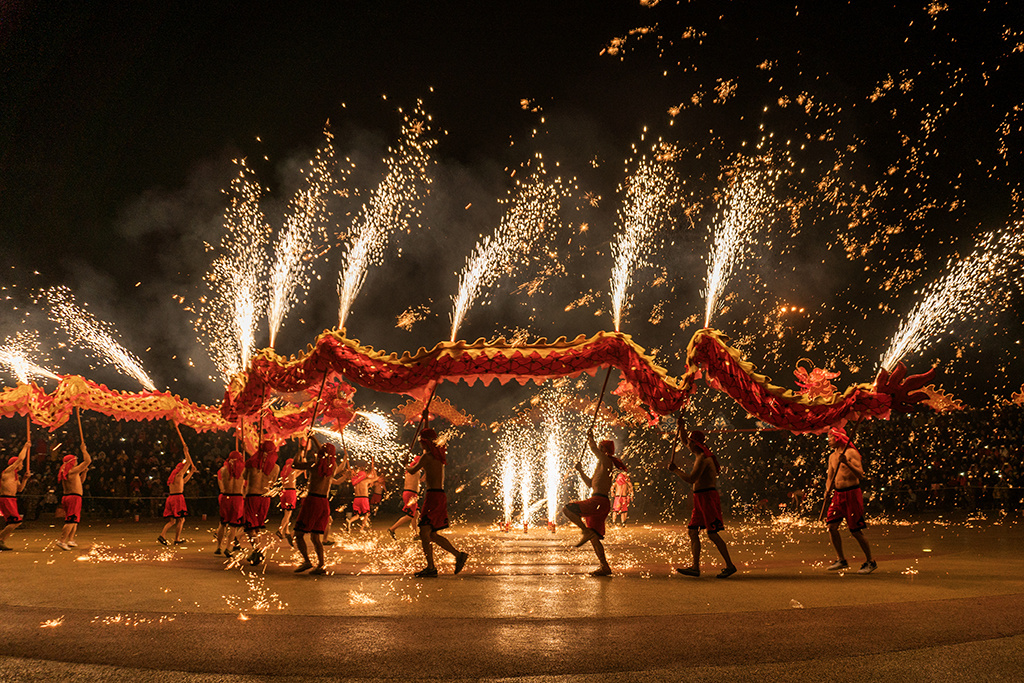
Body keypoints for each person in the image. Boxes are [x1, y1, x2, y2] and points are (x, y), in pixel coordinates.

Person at [665, 427, 737, 578]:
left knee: (712, 534)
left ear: (695, 443)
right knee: (692, 532)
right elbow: (684, 440)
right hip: (700, 498)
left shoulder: (703, 458)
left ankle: (730, 566)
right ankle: (695, 567)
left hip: (707, 498)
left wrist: (676, 470)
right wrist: (681, 426)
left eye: (690, 442)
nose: (687, 445)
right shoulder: (699, 453)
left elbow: (691, 479)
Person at [408, 427, 468, 577]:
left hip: (433, 496)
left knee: (424, 532)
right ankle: (458, 555)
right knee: (431, 534)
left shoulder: (427, 457)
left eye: (421, 442)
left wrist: (405, 464)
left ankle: (431, 568)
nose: (420, 444)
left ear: (425, 442)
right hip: (439, 495)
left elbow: (412, 471)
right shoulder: (438, 456)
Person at [562, 428, 621, 577]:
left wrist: (590, 437)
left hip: (598, 501)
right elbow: (589, 484)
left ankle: (585, 531)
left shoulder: (606, 461)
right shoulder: (600, 466)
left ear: (604, 450)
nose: (598, 450)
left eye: (600, 448)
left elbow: (593, 449)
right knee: (594, 539)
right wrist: (580, 471)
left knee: (567, 509)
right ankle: (604, 566)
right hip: (600, 501)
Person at [292, 439, 349, 575]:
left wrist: (300, 451)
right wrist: (313, 439)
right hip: (324, 503)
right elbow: (326, 454)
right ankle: (321, 565)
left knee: (298, 534)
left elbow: (295, 464)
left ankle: (307, 561)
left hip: (312, 501)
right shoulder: (332, 467)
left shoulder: (314, 465)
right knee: (315, 537)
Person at [823, 427, 876, 574]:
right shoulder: (832, 457)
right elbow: (830, 476)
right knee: (831, 526)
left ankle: (870, 561)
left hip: (852, 494)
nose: (828, 440)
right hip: (838, 495)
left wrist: (847, 462)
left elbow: (860, 474)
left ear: (838, 438)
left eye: (831, 437)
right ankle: (841, 560)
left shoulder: (851, 453)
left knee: (855, 531)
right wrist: (827, 490)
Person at [243, 440, 280, 565]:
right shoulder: (276, 467)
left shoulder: (251, 464)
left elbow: (244, 476)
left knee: (249, 527)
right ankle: (256, 550)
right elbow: (273, 483)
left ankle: (257, 550)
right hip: (265, 498)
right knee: (256, 527)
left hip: (252, 497)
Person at [56, 432, 91, 551]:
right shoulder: (72, 471)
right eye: (75, 460)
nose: (76, 462)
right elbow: (88, 461)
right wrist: (84, 450)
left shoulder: (68, 472)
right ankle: (62, 541)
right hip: (73, 498)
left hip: (70, 497)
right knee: (70, 520)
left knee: (74, 520)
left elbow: (80, 482)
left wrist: (84, 472)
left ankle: (70, 540)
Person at [158, 441, 196, 546]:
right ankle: (176, 539)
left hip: (171, 498)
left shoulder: (174, 476)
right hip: (177, 498)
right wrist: (186, 452)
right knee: (181, 519)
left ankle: (162, 535)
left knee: (173, 521)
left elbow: (184, 482)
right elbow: (188, 463)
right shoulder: (179, 474)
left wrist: (191, 472)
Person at [0, 430, 31, 551]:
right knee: (16, 522)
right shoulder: (8, 471)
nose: (22, 465)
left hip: (12, 499)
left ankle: (2, 541)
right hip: (6, 499)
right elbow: (20, 458)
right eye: (20, 463)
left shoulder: (16, 476)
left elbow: (20, 489)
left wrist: (25, 479)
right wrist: (25, 447)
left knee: (13, 523)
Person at [218, 449, 247, 556]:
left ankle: (219, 547)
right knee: (233, 526)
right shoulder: (243, 470)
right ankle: (228, 548)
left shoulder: (223, 470)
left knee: (223, 524)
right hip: (237, 498)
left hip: (226, 497)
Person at [388, 460, 422, 539]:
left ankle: (415, 534)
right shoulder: (416, 471)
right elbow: (422, 479)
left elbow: (419, 481)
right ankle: (392, 529)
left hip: (410, 493)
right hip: (411, 494)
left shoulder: (410, 471)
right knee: (410, 515)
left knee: (416, 514)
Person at [277, 452, 303, 546]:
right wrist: (303, 458)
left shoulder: (284, 472)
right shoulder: (293, 469)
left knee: (286, 513)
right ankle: (280, 529)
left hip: (283, 492)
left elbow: (296, 474)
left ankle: (286, 531)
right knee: (288, 513)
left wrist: (302, 471)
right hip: (290, 492)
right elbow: (301, 467)